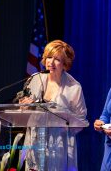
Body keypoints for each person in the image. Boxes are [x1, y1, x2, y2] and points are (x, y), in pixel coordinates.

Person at [19, 40, 88, 171]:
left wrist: (62, 122)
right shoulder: (34, 79)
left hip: (59, 145)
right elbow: (23, 110)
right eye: (49, 57)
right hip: (35, 141)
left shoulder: (73, 87)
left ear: (65, 64)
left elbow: (81, 121)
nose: (51, 62)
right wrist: (25, 106)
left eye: (57, 59)